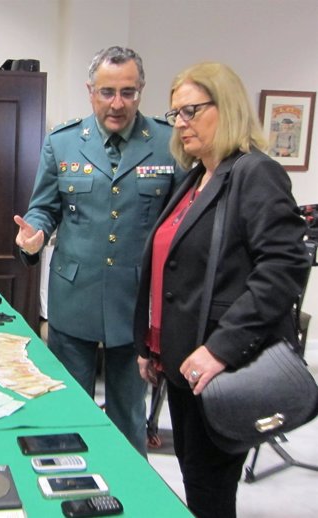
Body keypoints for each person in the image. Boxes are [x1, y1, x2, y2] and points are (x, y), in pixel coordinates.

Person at [133, 62, 310, 517]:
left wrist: (220, 349)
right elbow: (172, 272)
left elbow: (284, 266)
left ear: (226, 106)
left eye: (191, 110)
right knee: (196, 478)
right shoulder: (196, 177)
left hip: (219, 366)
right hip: (183, 363)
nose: (181, 123)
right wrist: (151, 345)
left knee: (210, 491)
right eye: (176, 114)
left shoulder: (255, 173)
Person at [13, 46, 184, 456]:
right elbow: (43, 207)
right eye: (107, 92)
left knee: (129, 415)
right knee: (67, 408)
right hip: (74, 296)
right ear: (90, 91)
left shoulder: (168, 142)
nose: (117, 103)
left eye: (128, 92)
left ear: (142, 91)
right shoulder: (64, 142)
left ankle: (128, 493)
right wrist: (34, 234)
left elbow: (181, 220)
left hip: (135, 303)